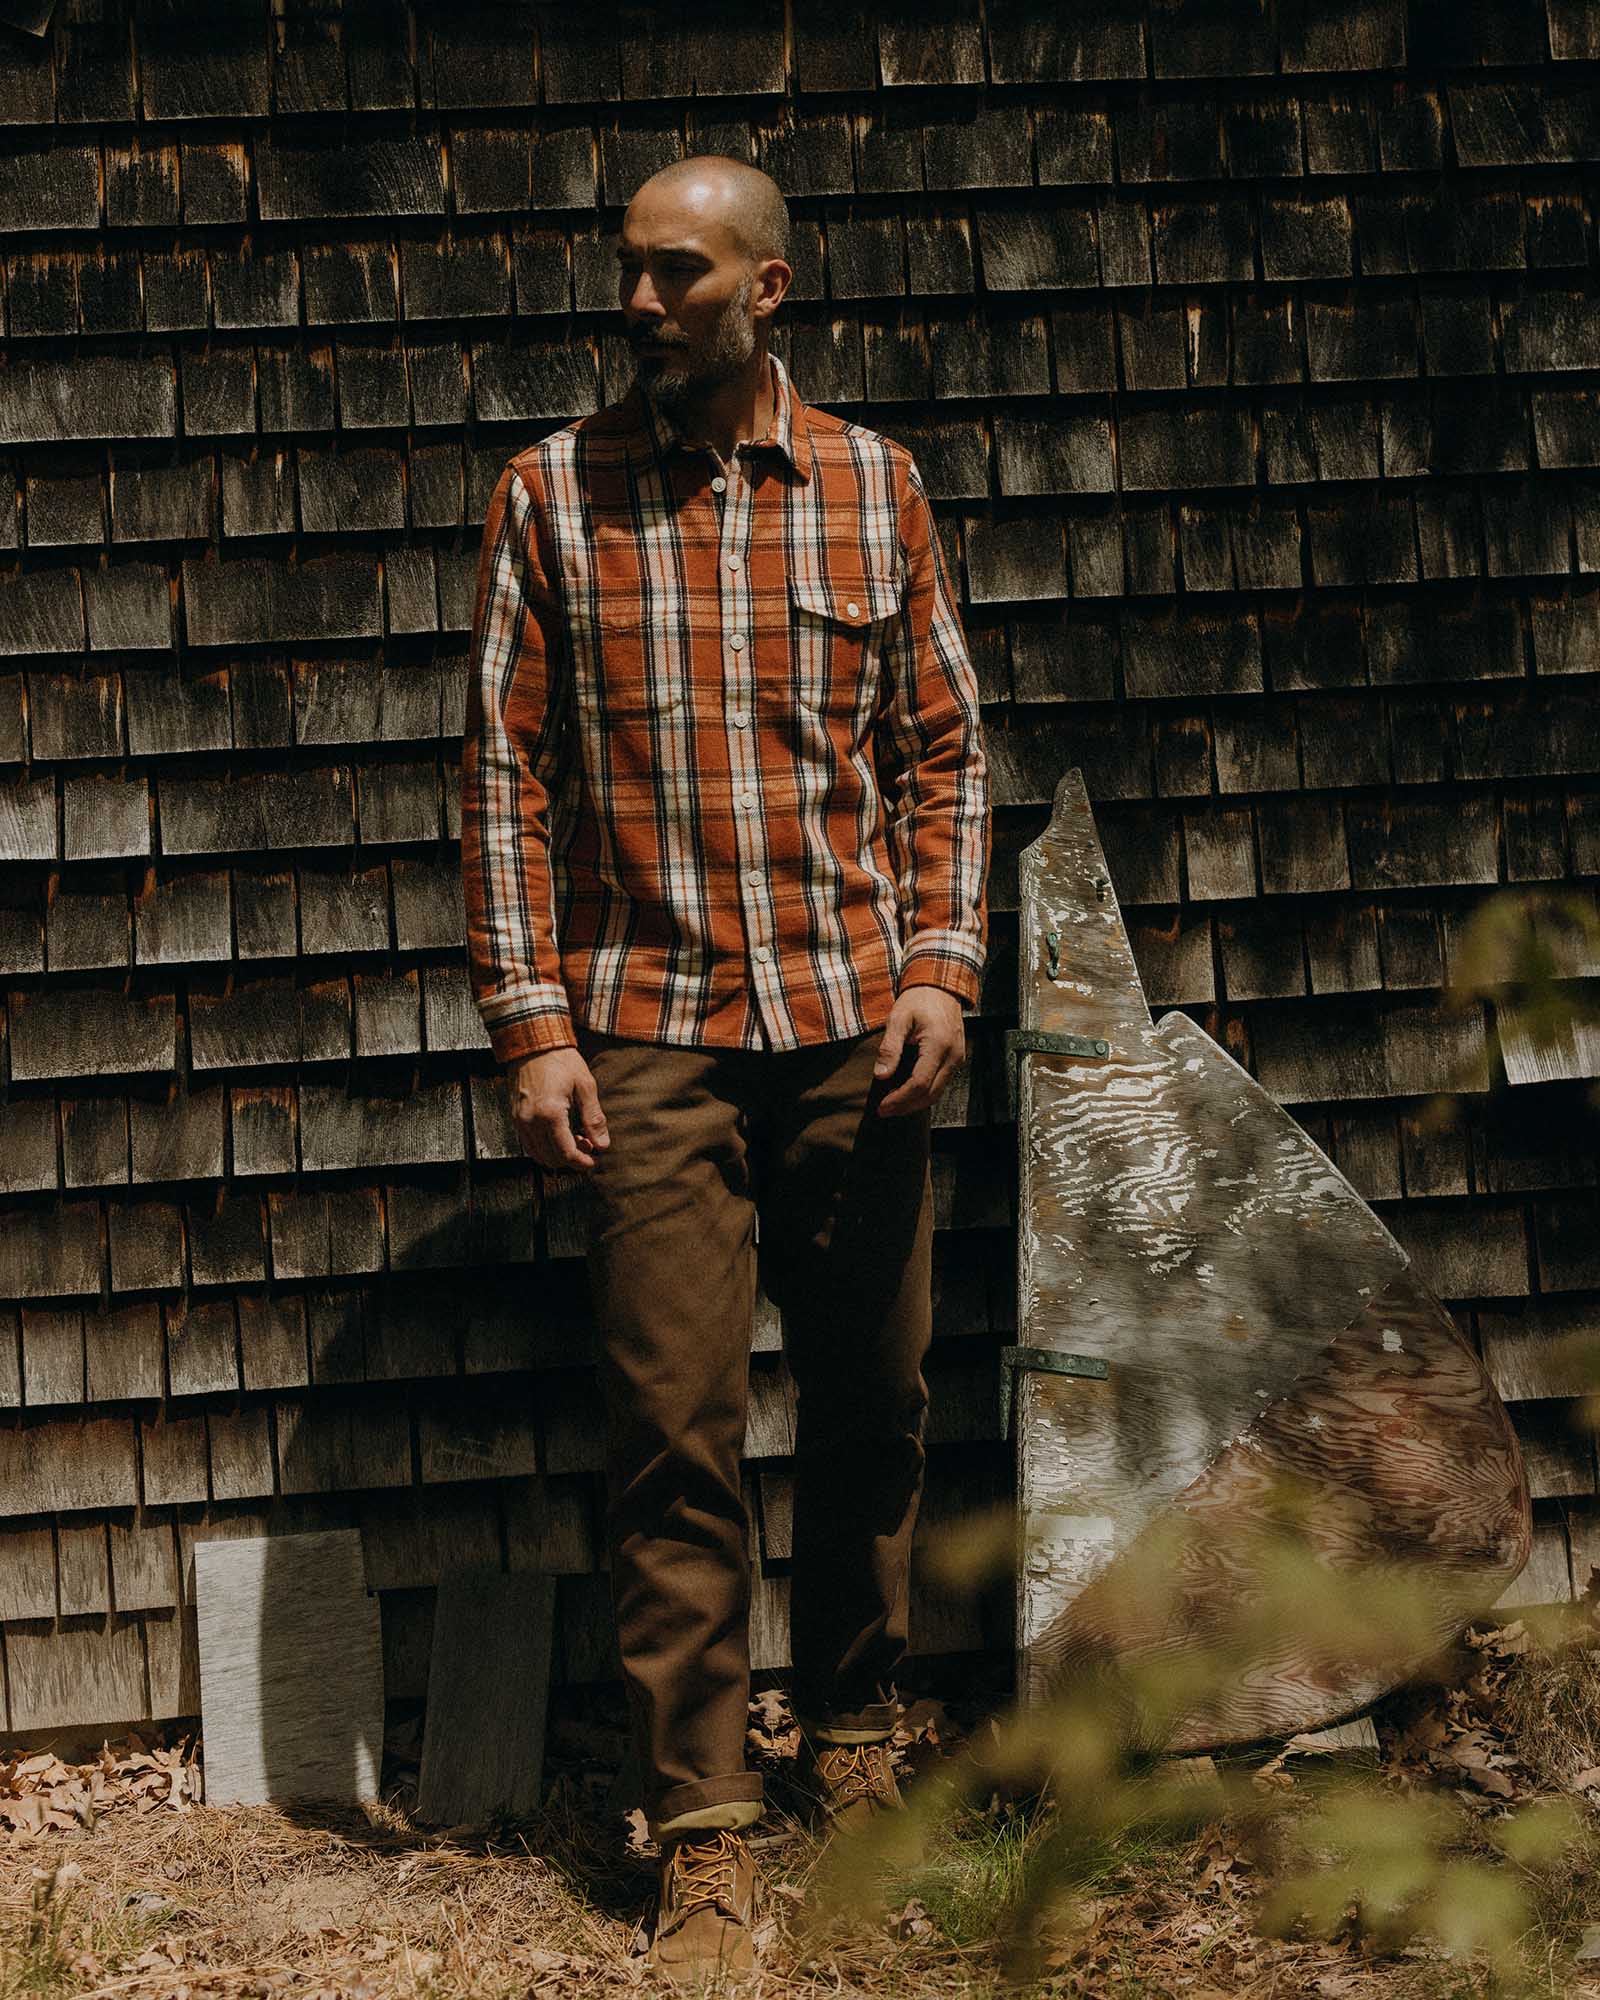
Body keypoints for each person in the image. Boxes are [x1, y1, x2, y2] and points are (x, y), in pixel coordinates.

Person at [459, 154, 990, 1984]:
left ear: (770, 288)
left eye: (679, 271)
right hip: (650, 1035)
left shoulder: (874, 486)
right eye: (629, 268)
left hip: (855, 1028)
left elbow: (944, 753)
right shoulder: (552, 495)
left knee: (874, 1406)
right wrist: (534, 1023)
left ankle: (852, 1737)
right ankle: (702, 1831)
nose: (640, 302)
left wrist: (943, 968)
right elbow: (503, 781)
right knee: (673, 1435)